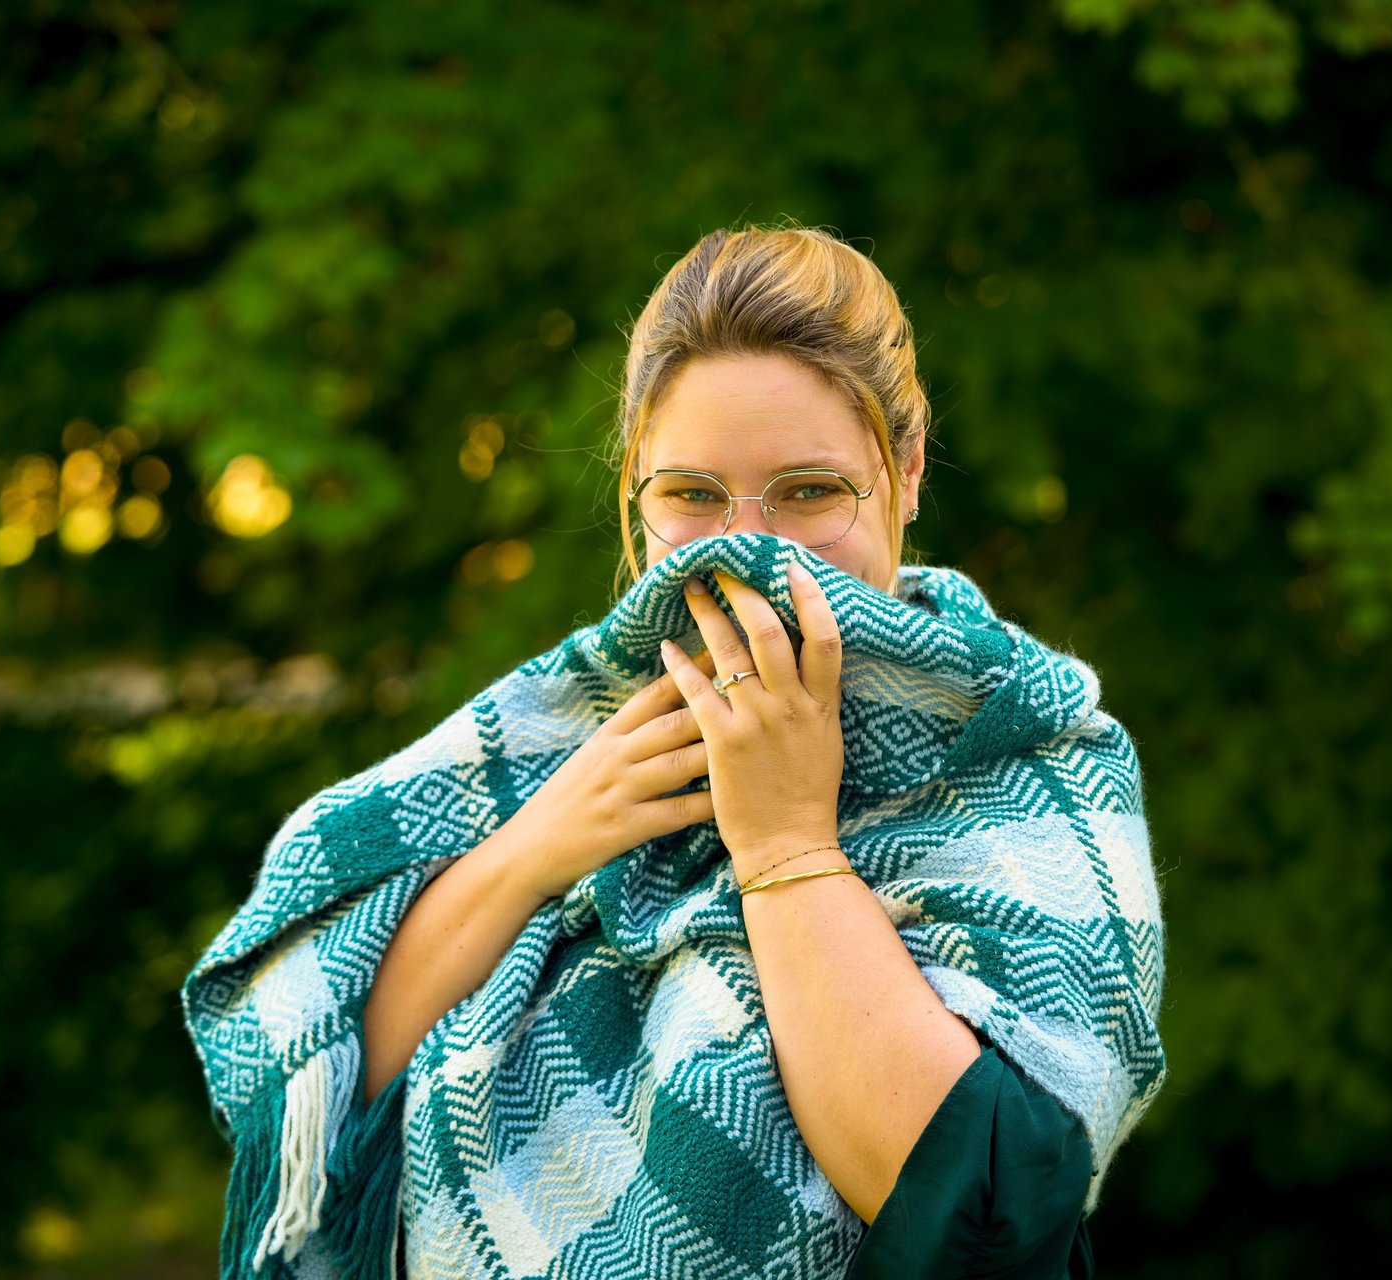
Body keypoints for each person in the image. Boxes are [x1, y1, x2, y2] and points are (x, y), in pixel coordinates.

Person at [358, 223, 1099, 1277]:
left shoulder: (1023, 762)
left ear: (909, 472)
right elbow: (338, 1084)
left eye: (807, 491)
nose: (747, 545)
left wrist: (787, 843)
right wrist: (534, 849)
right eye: (695, 496)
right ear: (634, 497)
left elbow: (983, 1214)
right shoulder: (554, 744)